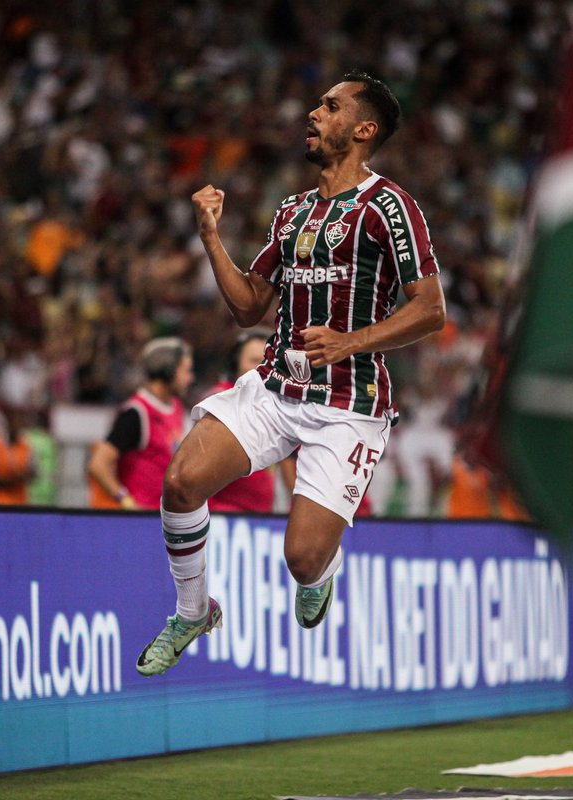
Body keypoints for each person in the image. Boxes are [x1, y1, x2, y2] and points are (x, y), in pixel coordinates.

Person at [136, 70, 446, 676]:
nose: (313, 113)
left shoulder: (390, 207)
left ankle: (322, 572)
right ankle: (193, 611)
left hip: (347, 405)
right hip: (277, 387)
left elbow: (430, 309)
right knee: (180, 483)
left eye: (329, 107)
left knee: (302, 559)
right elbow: (250, 305)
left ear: (363, 129)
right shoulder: (295, 211)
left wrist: (351, 340)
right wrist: (210, 237)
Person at [88, 337, 194, 510]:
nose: (190, 378)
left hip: (162, 517)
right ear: (168, 370)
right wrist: (127, 502)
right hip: (140, 518)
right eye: (186, 371)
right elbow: (98, 464)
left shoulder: (175, 407)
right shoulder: (136, 413)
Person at [207, 328, 282, 513]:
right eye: (253, 361)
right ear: (235, 365)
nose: (261, 368)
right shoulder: (221, 401)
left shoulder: (273, 401)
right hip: (225, 515)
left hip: (259, 515)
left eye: (267, 361)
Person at [0, 408, 36, 505]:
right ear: (7, 423)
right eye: (14, 422)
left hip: (17, 505)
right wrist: (11, 480)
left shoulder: (27, 446)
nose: (17, 426)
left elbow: (33, 473)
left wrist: (23, 476)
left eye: (20, 422)